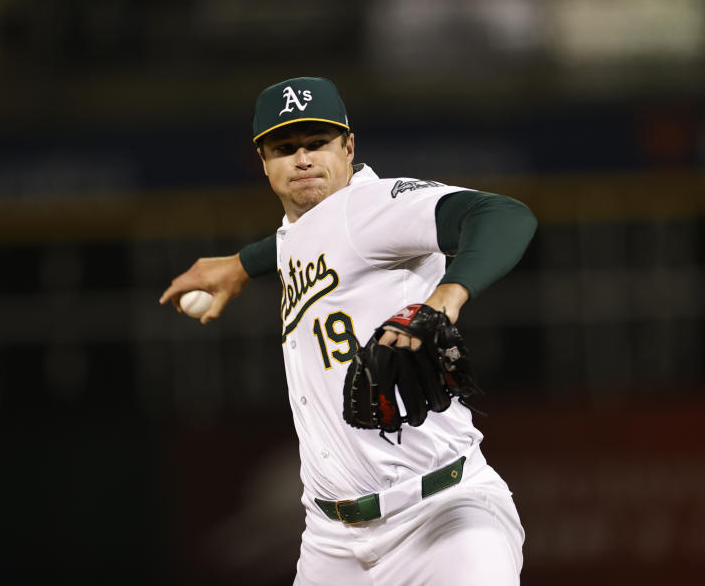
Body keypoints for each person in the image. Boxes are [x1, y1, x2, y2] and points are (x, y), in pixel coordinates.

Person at [160, 77, 536, 585]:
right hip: (330, 542)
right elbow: (305, 240)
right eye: (285, 148)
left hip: (441, 516)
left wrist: (446, 298)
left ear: (349, 147)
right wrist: (241, 265)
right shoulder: (305, 226)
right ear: (264, 161)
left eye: (317, 144)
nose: (303, 159)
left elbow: (501, 213)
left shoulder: (374, 205)